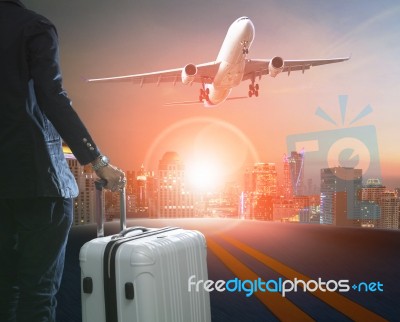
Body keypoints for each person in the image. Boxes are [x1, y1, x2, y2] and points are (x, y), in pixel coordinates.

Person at [0, 0, 126, 321]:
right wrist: (96, 161)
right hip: (40, 184)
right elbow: (51, 95)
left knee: (6, 293)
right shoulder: (34, 27)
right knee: (38, 296)